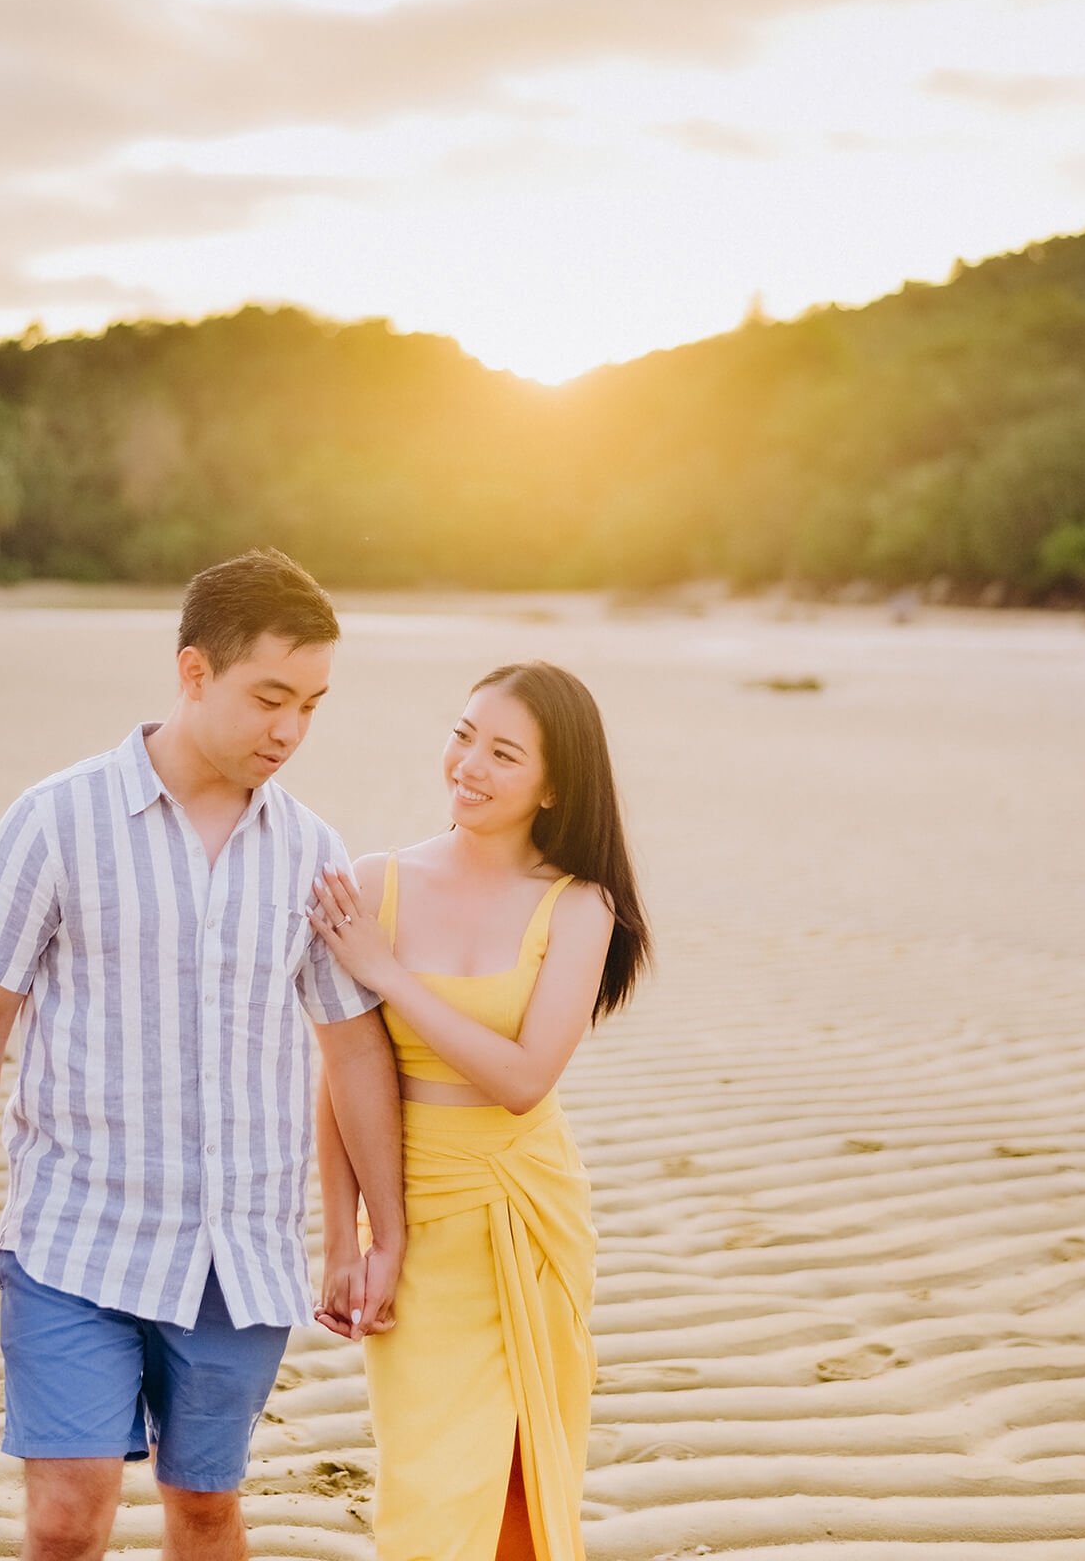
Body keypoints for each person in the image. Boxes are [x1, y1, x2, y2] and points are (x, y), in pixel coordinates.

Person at [0, 549, 405, 1561]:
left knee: (205, 1511)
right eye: (269, 696)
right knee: (64, 1515)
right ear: (192, 671)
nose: (290, 729)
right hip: (73, 1243)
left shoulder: (311, 848)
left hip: (238, 1254)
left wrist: (364, 1233)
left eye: (311, 704)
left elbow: (352, 1048)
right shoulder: (54, 819)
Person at [308, 659, 652, 1561]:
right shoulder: (372, 883)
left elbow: (524, 1078)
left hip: (527, 1208)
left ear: (552, 787)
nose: (469, 765)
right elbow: (343, 1074)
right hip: (412, 1209)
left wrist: (387, 975)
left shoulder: (581, 906)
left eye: (504, 754)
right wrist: (346, 1240)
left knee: (519, 1485)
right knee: (427, 1487)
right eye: (463, 735)